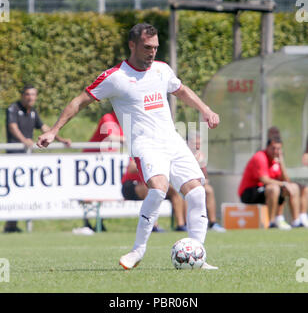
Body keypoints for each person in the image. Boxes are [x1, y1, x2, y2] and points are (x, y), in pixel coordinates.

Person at [37, 23, 220, 270]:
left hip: (172, 140)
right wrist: (54, 130)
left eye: (155, 47)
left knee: (197, 192)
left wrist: (205, 110)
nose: (152, 52)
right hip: (145, 144)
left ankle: (198, 257)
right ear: (132, 45)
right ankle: (138, 250)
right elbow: (79, 101)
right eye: (147, 47)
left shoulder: (162, 70)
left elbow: (182, 91)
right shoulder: (115, 77)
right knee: (158, 189)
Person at [4, 84, 71, 233]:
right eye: (28, 94)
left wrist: (60, 139)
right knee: (13, 191)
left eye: (33, 94)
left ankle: (12, 225)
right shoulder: (13, 109)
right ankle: (10, 224)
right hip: (14, 157)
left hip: (27, 158)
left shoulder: (33, 112)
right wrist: (24, 140)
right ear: (22, 95)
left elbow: (45, 128)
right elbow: (12, 127)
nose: (30, 97)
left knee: (23, 191)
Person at [238, 136, 305, 229]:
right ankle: (272, 222)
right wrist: (284, 184)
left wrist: (282, 162)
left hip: (268, 190)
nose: (276, 151)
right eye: (273, 148)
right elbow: (264, 180)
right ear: (267, 147)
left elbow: (286, 181)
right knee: (274, 188)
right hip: (250, 192)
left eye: (278, 149)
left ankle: (296, 221)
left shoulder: (276, 160)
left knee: (293, 187)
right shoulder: (260, 157)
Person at [121, 158, 187, 232]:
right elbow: (131, 168)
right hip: (132, 185)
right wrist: (150, 166)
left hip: (153, 185)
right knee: (150, 189)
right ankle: (152, 225)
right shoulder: (140, 152)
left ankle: (181, 225)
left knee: (175, 191)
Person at [187, 131, 226, 232]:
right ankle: (183, 224)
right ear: (189, 142)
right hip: (183, 183)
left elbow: (204, 173)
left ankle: (212, 223)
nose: (198, 145)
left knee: (209, 190)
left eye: (200, 143)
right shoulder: (183, 154)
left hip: (196, 183)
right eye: (196, 143)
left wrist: (205, 180)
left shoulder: (200, 155)